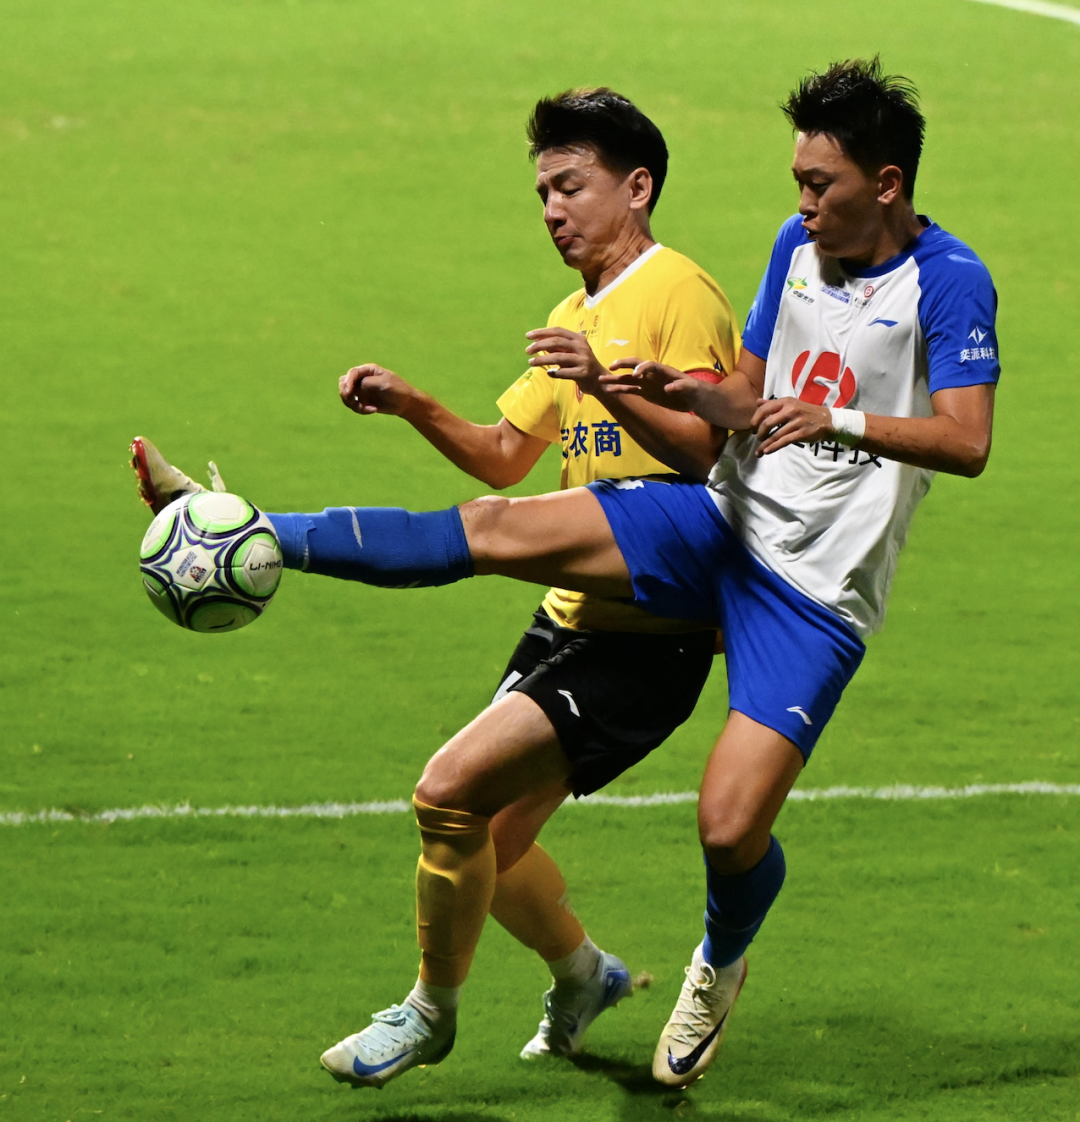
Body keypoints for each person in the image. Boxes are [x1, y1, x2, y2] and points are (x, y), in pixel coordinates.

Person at [135, 58, 1000, 1089]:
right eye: (799, 182)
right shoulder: (792, 247)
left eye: (821, 184)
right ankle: (246, 528)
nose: (802, 203)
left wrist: (833, 419)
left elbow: (968, 441)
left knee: (729, 828)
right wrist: (679, 391)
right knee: (493, 537)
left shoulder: (950, 280)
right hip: (721, 523)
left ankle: (718, 962)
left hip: (813, 592)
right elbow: (738, 404)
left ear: (886, 183)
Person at [131, 88, 741, 1087]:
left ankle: (429, 1013)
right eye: (542, 193)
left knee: (446, 791)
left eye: (570, 186)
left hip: (646, 637)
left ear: (638, 188)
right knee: (488, 843)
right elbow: (506, 454)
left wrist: (603, 379)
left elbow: (708, 451)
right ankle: (585, 974)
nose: (552, 210)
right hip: (568, 621)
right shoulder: (573, 314)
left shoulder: (679, 291)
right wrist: (413, 403)